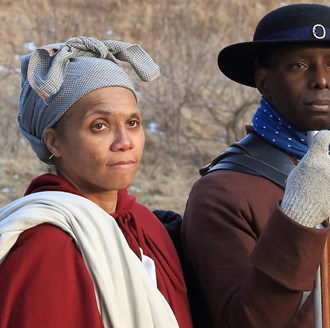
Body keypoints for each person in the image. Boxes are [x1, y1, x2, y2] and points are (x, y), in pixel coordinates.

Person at [180, 3, 330, 327]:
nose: (322, 80)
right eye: (299, 66)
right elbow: (243, 321)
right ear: (264, 81)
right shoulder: (219, 192)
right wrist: (298, 219)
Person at [0, 36, 192, 327]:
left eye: (133, 123)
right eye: (99, 126)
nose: (124, 142)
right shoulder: (46, 247)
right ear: (54, 142)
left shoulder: (144, 226)